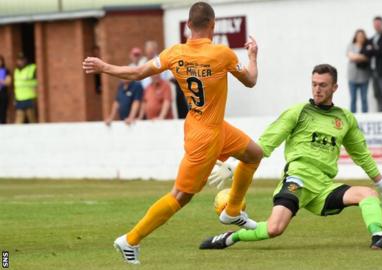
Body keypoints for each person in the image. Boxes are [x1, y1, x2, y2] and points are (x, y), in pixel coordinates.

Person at [82, 1, 263, 264]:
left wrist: (103, 67)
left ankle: (232, 211)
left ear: (188, 25)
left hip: (203, 124)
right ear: (212, 25)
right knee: (180, 196)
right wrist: (253, 55)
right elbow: (251, 81)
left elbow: (137, 72)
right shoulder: (223, 54)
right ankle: (130, 240)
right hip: (207, 136)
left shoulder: (174, 53)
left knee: (254, 155)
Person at [200, 64, 382, 251]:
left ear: (334, 88)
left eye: (323, 85)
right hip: (297, 180)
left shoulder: (345, 118)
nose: (317, 89)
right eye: (314, 84)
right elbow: (266, 143)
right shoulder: (299, 111)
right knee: (274, 229)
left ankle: (378, 237)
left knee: (368, 193)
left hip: (323, 187)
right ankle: (231, 237)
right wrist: (234, 164)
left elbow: (362, 156)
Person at [347, 29, 371, 113]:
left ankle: (365, 117)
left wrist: (357, 57)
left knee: (364, 99)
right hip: (352, 77)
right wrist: (362, 57)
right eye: (358, 36)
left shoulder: (367, 46)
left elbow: (368, 57)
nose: (360, 37)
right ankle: (352, 119)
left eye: (362, 36)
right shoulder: (351, 45)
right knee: (353, 99)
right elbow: (351, 57)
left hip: (364, 77)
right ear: (355, 37)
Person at [13, 53, 37, 124]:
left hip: (30, 97)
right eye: (19, 60)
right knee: (19, 118)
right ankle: (16, 134)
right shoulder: (16, 71)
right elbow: (16, 85)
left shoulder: (32, 68)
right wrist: (15, 98)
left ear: (26, 60)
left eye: (22, 60)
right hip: (19, 98)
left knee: (31, 118)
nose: (21, 62)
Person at [0, 55, 12, 124]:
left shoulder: (6, 70)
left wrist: (1, 81)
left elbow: (8, 82)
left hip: (3, 93)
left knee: (3, 111)